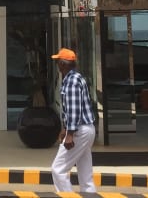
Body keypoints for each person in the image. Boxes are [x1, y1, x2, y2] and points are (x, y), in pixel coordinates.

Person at [50, 48, 97, 193]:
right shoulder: (77, 77)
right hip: (86, 129)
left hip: (79, 131)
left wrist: (70, 133)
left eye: (58, 62)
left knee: (58, 169)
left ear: (63, 64)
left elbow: (74, 110)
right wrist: (65, 129)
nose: (57, 65)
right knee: (85, 173)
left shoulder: (71, 81)